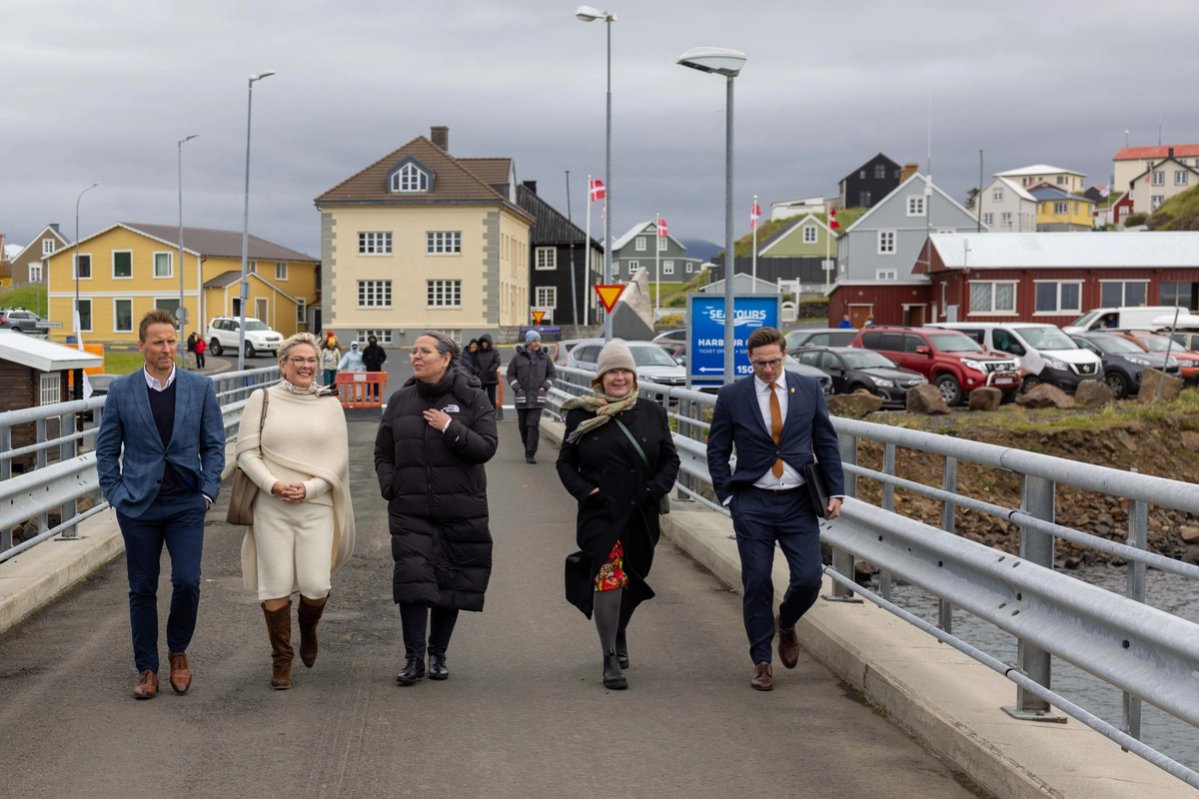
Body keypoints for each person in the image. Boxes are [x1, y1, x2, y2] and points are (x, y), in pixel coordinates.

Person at [95, 309, 226, 700]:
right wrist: (115, 494)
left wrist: (207, 491)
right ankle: (147, 668)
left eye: (171, 341)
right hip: (138, 505)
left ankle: (178, 651)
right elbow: (106, 450)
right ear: (142, 346)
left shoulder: (200, 388)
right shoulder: (121, 390)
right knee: (142, 588)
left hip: (186, 502)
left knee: (187, 580)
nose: (167, 348)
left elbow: (214, 445)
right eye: (159, 342)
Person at [706, 326, 845, 692]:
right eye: (759, 364)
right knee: (756, 581)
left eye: (773, 362)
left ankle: (786, 621)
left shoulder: (808, 389)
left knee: (809, 578)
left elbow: (825, 441)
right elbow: (717, 450)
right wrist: (728, 496)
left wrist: (836, 492)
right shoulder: (732, 396)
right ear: (749, 361)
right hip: (752, 501)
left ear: (784, 355)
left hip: (799, 501)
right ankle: (762, 661)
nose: (767, 369)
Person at [374, 330, 497, 685]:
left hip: (460, 508)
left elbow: (486, 447)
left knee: (450, 581)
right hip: (410, 509)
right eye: (414, 351)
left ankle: (438, 654)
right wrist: (390, 485)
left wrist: (450, 427)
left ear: (446, 358)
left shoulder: (473, 397)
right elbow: (383, 451)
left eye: (424, 351)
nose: (416, 356)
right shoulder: (401, 400)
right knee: (413, 581)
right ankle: (413, 658)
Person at [556, 339, 680, 690]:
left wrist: (654, 490)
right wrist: (587, 492)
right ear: (600, 378)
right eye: (612, 372)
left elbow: (670, 459)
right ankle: (609, 656)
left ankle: (618, 628)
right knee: (608, 575)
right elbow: (565, 463)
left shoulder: (652, 413)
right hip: (601, 513)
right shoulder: (581, 415)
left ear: (634, 376)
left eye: (625, 371)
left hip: (641, 511)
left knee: (633, 578)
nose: (620, 377)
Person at [234, 333, 355, 690]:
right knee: (275, 583)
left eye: (311, 360)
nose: (306, 365)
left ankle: (308, 627)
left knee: (316, 585)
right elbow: (246, 452)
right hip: (271, 506)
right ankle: (282, 658)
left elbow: (339, 458)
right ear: (282, 364)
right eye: (298, 359)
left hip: (315, 505)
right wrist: (272, 485)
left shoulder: (329, 403)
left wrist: (310, 488)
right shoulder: (262, 399)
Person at [507, 330, 556, 463]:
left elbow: (552, 374)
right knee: (523, 426)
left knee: (532, 425)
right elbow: (510, 374)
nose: (537, 343)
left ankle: (530, 453)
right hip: (522, 397)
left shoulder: (545, 357)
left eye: (538, 341)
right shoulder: (518, 357)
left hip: (538, 397)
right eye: (534, 341)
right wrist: (517, 388)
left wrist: (544, 387)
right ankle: (527, 446)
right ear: (528, 342)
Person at [474, 334, 500, 408]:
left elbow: (497, 362)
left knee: (492, 398)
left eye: (486, 343)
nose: (484, 344)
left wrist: (491, 370)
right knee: (480, 398)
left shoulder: (494, 351)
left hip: (491, 378)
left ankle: (493, 413)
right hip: (481, 378)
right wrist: (478, 371)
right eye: (483, 343)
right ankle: (481, 412)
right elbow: (475, 363)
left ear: (489, 343)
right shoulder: (479, 352)